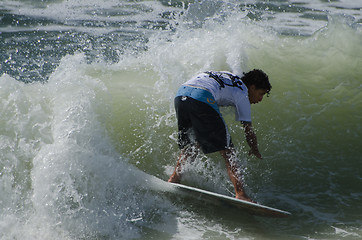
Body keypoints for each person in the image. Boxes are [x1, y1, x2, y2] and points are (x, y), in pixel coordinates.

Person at [168, 69, 272, 202]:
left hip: (181, 94)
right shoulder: (243, 93)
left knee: (193, 144)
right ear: (252, 87)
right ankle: (240, 193)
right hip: (201, 96)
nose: (260, 99)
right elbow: (248, 130)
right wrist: (254, 148)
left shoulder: (229, 77)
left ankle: (174, 179)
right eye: (260, 94)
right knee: (228, 151)